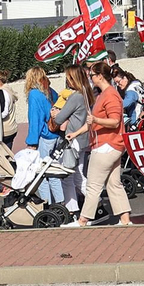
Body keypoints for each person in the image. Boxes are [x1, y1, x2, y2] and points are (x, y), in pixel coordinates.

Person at [66, 62, 132, 226]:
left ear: (100, 76)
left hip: (106, 145)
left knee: (93, 185)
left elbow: (115, 121)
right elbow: (92, 123)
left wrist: (96, 119)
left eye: (92, 75)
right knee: (113, 184)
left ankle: (83, 220)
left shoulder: (110, 95)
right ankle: (125, 220)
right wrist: (76, 133)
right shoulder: (104, 94)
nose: (90, 78)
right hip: (109, 145)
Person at [51, 64, 94, 213]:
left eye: (68, 77)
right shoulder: (86, 92)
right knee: (79, 175)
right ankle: (92, 204)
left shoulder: (75, 96)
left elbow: (59, 118)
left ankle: (73, 209)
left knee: (69, 177)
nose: (67, 80)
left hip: (73, 139)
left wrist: (56, 114)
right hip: (83, 138)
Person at [24, 65, 60, 206]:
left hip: (44, 137)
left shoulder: (34, 94)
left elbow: (35, 120)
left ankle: (47, 205)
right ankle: (61, 203)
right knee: (54, 172)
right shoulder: (50, 92)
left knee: (41, 175)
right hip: (55, 134)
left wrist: (32, 142)